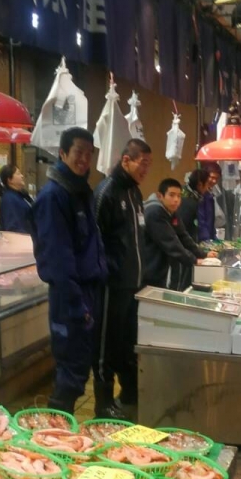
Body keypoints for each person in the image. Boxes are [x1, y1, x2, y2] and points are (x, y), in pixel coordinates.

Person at [30, 129, 107, 413]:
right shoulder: (54, 196)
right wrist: (77, 305)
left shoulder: (80, 190)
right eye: (78, 152)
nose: (84, 159)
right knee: (71, 372)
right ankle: (56, 430)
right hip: (70, 296)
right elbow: (57, 259)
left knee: (80, 367)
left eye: (89, 153)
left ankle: (63, 428)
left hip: (88, 292)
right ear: (63, 153)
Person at [94, 137, 153, 417]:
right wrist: (108, 271)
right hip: (112, 285)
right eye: (143, 163)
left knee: (128, 342)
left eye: (149, 165)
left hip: (134, 284)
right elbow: (93, 241)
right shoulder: (107, 192)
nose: (146, 170)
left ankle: (129, 394)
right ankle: (102, 404)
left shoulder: (135, 193)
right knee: (106, 344)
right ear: (126, 160)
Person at [144, 178, 214, 289]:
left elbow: (183, 236)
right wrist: (194, 260)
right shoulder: (154, 212)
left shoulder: (171, 211)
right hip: (147, 267)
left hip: (159, 266)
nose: (176, 200)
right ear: (160, 196)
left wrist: (203, 255)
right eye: (171, 195)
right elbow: (171, 243)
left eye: (179, 196)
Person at [0, 164, 35, 240]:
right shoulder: (9, 200)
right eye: (18, 174)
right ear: (9, 180)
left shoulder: (19, 196)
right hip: (22, 242)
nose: (22, 176)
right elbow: (13, 228)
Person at [179, 168, 218, 243]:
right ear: (200, 185)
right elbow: (194, 226)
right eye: (207, 184)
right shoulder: (189, 201)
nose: (207, 188)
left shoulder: (196, 197)